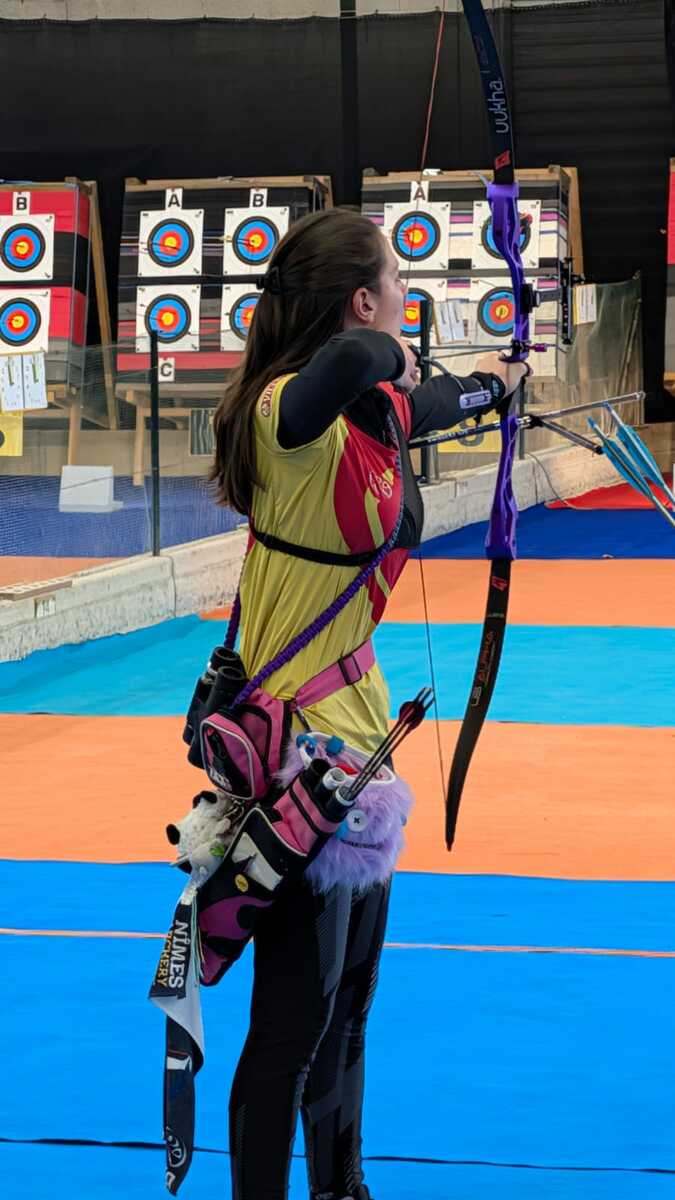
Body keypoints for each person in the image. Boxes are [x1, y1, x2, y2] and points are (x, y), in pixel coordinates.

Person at [209, 207, 527, 1200]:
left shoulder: (360, 416)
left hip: (358, 754)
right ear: (360, 301)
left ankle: (342, 1190)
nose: (405, 297)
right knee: (290, 1029)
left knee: (346, 1016)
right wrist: (401, 354)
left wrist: (493, 384)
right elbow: (357, 362)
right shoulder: (284, 414)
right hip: (295, 761)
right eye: (395, 282)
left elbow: (412, 404)